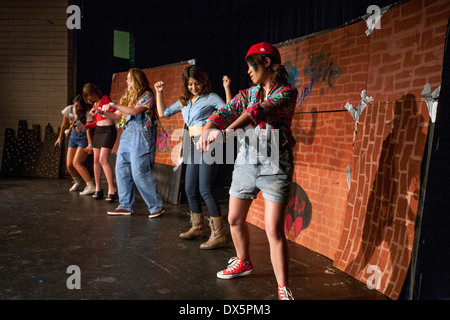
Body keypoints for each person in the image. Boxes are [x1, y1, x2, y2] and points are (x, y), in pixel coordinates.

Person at [198, 42, 297, 300]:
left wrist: (226, 132)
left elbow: (257, 112)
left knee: (273, 230)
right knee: (233, 219)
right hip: (246, 159)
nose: (249, 72)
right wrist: (210, 127)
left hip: (275, 162)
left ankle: (283, 289)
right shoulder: (249, 92)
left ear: (266, 62)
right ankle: (243, 261)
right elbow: (227, 110)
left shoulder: (287, 92)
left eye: (251, 65)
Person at [154, 65, 231, 249]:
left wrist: (227, 88)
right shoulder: (185, 101)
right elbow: (163, 112)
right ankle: (197, 227)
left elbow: (229, 110)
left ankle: (219, 233)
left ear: (203, 82)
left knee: (205, 189)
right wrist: (159, 92)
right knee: (189, 188)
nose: (193, 88)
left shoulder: (210, 97)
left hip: (209, 144)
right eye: (190, 84)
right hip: (190, 144)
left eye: (196, 84)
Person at [93, 68, 164, 218]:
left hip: (141, 135)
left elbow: (135, 111)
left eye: (129, 78)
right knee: (121, 169)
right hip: (127, 134)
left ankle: (155, 206)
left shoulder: (147, 95)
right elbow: (117, 116)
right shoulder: (128, 97)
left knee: (139, 172)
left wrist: (113, 105)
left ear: (136, 80)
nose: (126, 81)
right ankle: (125, 205)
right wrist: (102, 113)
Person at [82, 83, 118, 202]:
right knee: (96, 160)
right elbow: (96, 122)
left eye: (90, 95)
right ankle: (98, 188)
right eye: (87, 97)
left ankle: (112, 189)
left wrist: (100, 110)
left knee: (103, 159)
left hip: (108, 130)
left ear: (95, 92)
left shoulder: (105, 99)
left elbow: (112, 112)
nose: (90, 98)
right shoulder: (94, 104)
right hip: (98, 131)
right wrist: (84, 126)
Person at [54, 94, 95, 194]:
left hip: (83, 138)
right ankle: (77, 181)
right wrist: (60, 137)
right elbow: (64, 124)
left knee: (76, 162)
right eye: (76, 105)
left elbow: (89, 130)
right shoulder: (69, 109)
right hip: (73, 137)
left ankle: (90, 185)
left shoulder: (87, 112)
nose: (78, 108)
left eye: (79, 106)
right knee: (69, 165)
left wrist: (90, 144)